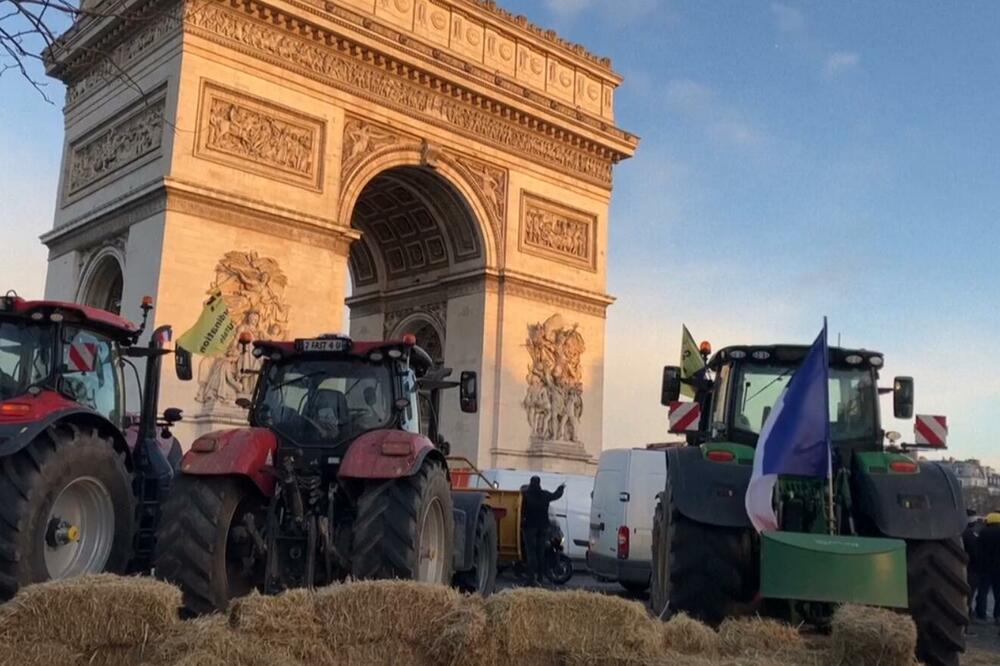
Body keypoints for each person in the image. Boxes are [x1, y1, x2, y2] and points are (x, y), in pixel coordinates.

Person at [521, 476, 565, 586]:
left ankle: (531, 578)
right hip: (543, 527)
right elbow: (556, 495)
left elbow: (519, 508)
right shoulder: (544, 494)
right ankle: (540, 578)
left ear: (530, 483)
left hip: (530, 528)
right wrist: (561, 488)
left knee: (531, 554)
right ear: (539, 483)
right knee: (541, 553)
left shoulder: (526, 496)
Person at [977, 512, 1000, 624]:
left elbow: (978, 549)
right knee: (998, 593)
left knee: (982, 591)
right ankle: (998, 615)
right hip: (999, 569)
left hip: (985, 567)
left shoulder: (983, 532)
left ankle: (981, 614)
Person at [963, 511, 983, 619]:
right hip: (972, 569)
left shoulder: (961, 533)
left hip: (965, 567)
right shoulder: (971, 535)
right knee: (970, 593)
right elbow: (975, 553)